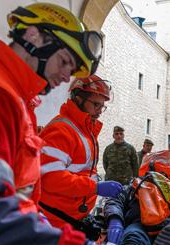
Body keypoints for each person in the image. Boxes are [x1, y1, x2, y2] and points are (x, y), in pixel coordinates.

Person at [0, 3, 146, 245]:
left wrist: (38, 221)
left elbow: (12, 192)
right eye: (64, 61)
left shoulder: (13, 99)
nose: (65, 77)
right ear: (35, 37)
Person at [37, 75, 123, 231]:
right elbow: (51, 178)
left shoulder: (86, 132)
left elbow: (84, 171)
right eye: (95, 104)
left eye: (102, 106)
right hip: (55, 221)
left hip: (73, 217)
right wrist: (95, 187)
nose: (99, 111)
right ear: (78, 99)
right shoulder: (61, 130)